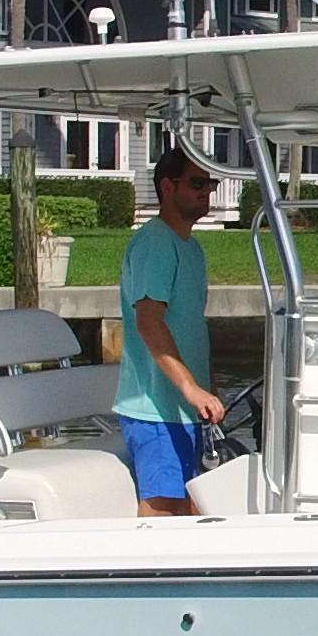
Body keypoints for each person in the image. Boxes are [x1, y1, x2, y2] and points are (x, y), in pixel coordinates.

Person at [115, 143, 223, 515]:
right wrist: (191, 389)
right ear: (167, 187)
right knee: (164, 508)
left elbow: (191, 324)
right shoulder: (156, 243)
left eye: (211, 184)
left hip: (185, 409)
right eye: (197, 183)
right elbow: (148, 321)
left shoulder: (191, 248)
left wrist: (204, 389)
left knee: (192, 506)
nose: (206, 191)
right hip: (155, 411)